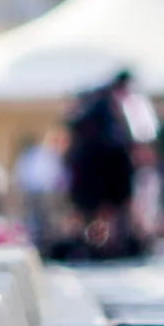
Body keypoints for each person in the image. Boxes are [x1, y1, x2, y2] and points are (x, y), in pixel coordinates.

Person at [65, 71, 142, 259]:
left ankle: (101, 245)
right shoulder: (107, 107)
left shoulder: (96, 107)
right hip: (102, 170)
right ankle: (104, 245)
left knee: (99, 213)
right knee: (103, 213)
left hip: (98, 170)